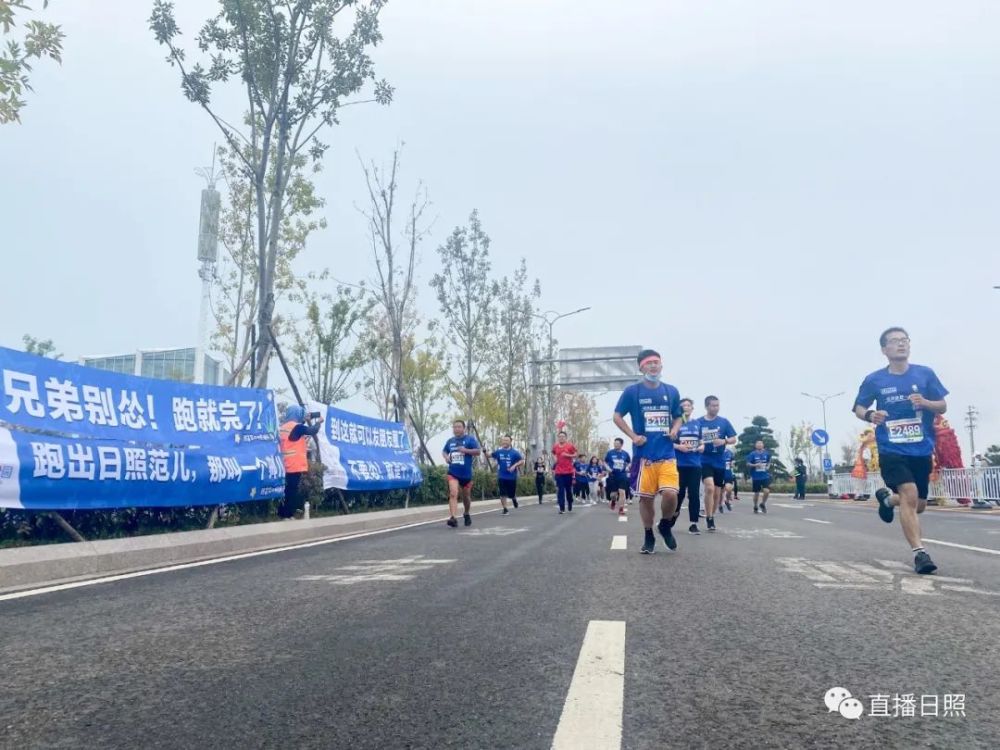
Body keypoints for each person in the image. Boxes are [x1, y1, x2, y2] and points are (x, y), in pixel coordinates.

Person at [853, 327, 948, 574]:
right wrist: (871, 414)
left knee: (919, 504)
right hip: (890, 447)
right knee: (909, 491)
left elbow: (942, 405)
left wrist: (925, 403)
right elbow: (859, 407)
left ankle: (886, 499)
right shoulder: (875, 379)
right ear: (884, 350)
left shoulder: (925, 374)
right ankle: (920, 554)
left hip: (921, 447)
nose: (901, 344)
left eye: (904, 340)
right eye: (894, 341)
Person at [613, 348, 684, 554]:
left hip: (667, 454)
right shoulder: (632, 392)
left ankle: (664, 525)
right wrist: (633, 436)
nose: (653, 366)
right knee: (646, 498)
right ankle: (648, 534)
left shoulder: (671, 391)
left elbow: (678, 416)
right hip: (644, 456)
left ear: (661, 365)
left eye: (656, 362)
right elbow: (617, 416)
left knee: (671, 495)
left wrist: (674, 429)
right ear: (641, 367)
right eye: (649, 363)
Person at [698, 396, 737, 532]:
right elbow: (693, 437)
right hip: (704, 459)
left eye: (717, 405)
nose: (716, 408)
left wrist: (724, 441)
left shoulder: (724, 422)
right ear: (707, 406)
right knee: (709, 487)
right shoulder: (699, 422)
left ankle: (712, 515)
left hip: (719, 461)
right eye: (713, 405)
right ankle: (709, 517)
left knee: (716, 494)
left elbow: (733, 439)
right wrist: (699, 444)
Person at [278, 404, 324, 519]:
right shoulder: (297, 427)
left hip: (284, 463)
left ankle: (282, 513)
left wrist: (305, 419)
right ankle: (288, 515)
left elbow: (296, 433)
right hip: (294, 464)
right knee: (292, 490)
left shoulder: (284, 427)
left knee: (286, 490)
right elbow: (312, 430)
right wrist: (319, 422)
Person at [442, 419, 482, 528]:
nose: (456, 429)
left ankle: (466, 513)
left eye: (459, 427)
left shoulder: (469, 439)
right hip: (453, 472)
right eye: (454, 427)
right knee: (453, 493)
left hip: (466, 474)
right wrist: (446, 457)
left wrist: (465, 450)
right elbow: (444, 451)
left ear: (463, 428)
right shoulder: (450, 441)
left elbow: (478, 451)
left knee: (466, 497)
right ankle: (453, 518)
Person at [674, 397, 704, 535]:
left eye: (688, 405)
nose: (686, 407)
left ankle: (693, 524)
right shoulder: (675, 424)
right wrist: (679, 446)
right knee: (678, 494)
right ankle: (670, 519)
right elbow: (669, 442)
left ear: (692, 408)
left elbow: (701, 441)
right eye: (683, 406)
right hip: (680, 464)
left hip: (695, 464)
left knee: (694, 494)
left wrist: (702, 446)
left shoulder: (697, 424)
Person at [491, 435, 525, 515]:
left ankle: (513, 498)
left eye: (507, 440)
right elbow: (490, 455)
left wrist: (514, 465)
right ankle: (505, 509)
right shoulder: (499, 451)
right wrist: (485, 452)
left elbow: (522, 461)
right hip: (501, 476)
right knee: (502, 493)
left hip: (511, 477)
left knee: (511, 494)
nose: (505, 442)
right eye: (503, 440)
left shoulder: (515, 452)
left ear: (510, 442)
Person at [552, 431, 578, 514]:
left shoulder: (570, 446)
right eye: (560, 436)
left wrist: (568, 455)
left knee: (568, 490)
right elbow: (553, 452)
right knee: (560, 490)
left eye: (563, 436)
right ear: (558, 437)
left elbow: (576, 454)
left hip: (568, 472)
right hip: (559, 472)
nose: (561, 438)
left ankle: (570, 502)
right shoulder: (555, 446)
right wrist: (554, 458)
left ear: (566, 437)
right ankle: (561, 507)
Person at [605, 438, 631, 513]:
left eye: (617, 443)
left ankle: (621, 509)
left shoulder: (625, 454)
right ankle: (613, 501)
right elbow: (605, 462)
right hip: (613, 475)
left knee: (622, 492)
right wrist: (608, 468)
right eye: (615, 443)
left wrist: (627, 467)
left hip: (622, 475)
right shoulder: (610, 453)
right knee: (613, 495)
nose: (615, 444)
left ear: (621, 444)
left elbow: (629, 462)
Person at [747, 439, 772, 513]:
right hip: (756, 476)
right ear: (755, 445)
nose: (759, 445)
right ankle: (755, 505)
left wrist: (768, 466)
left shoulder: (767, 453)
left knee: (767, 491)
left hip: (765, 476)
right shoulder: (752, 454)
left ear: (763, 445)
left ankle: (763, 504)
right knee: (756, 493)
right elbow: (748, 464)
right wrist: (755, 465)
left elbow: (769, 461)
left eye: (761, 443)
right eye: (758, 444)